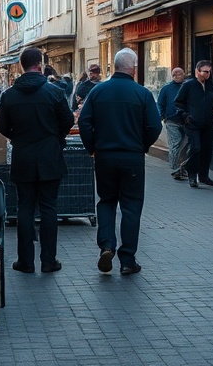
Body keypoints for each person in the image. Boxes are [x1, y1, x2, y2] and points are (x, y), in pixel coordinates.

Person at [78, 48, 162, 276]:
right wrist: (142, 145)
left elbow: (84, 123)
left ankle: (106, 246)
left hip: (105, 156)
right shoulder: (142, 94)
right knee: (131, 207)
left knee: (106, 201)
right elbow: (155, 126)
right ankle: (127, 259)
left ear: (114, 67)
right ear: (133, 68)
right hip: (132, 157)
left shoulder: (98, 92)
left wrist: (92, 147)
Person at [0, 47, 75, 274]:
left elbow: (2, 126)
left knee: (25, 208)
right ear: (39, 65)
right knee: (49, 209)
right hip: (50, 156)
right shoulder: (54, 92)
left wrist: (17, 137)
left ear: (21, 66)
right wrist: (55, 137)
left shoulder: (9, 95)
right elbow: (68, 120)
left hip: (23, 157)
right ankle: (49, 261)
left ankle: (26, 261)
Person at [174, 59, 213, 188]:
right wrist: (185, 116)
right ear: (197, 71)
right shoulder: (189, 85)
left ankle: (203, 176)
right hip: (193, 123)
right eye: (205, 72)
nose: (207, 74)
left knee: (207, 150)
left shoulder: (211, 85)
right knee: (195, 148)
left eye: (209, 72)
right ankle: (191, 175)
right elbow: (178, 102)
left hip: (208, 122)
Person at [157, 67, 188, 180]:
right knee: (175, 143)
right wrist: (162, 116)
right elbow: (160, 103)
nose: (177, 76)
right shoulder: (166, 88)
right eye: (174, 74)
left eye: (179, 74)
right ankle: (175, 168)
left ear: (184, 74)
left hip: (187, 121)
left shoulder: (188, 87)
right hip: (171, 120)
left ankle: (183, 167)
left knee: (187, 145)